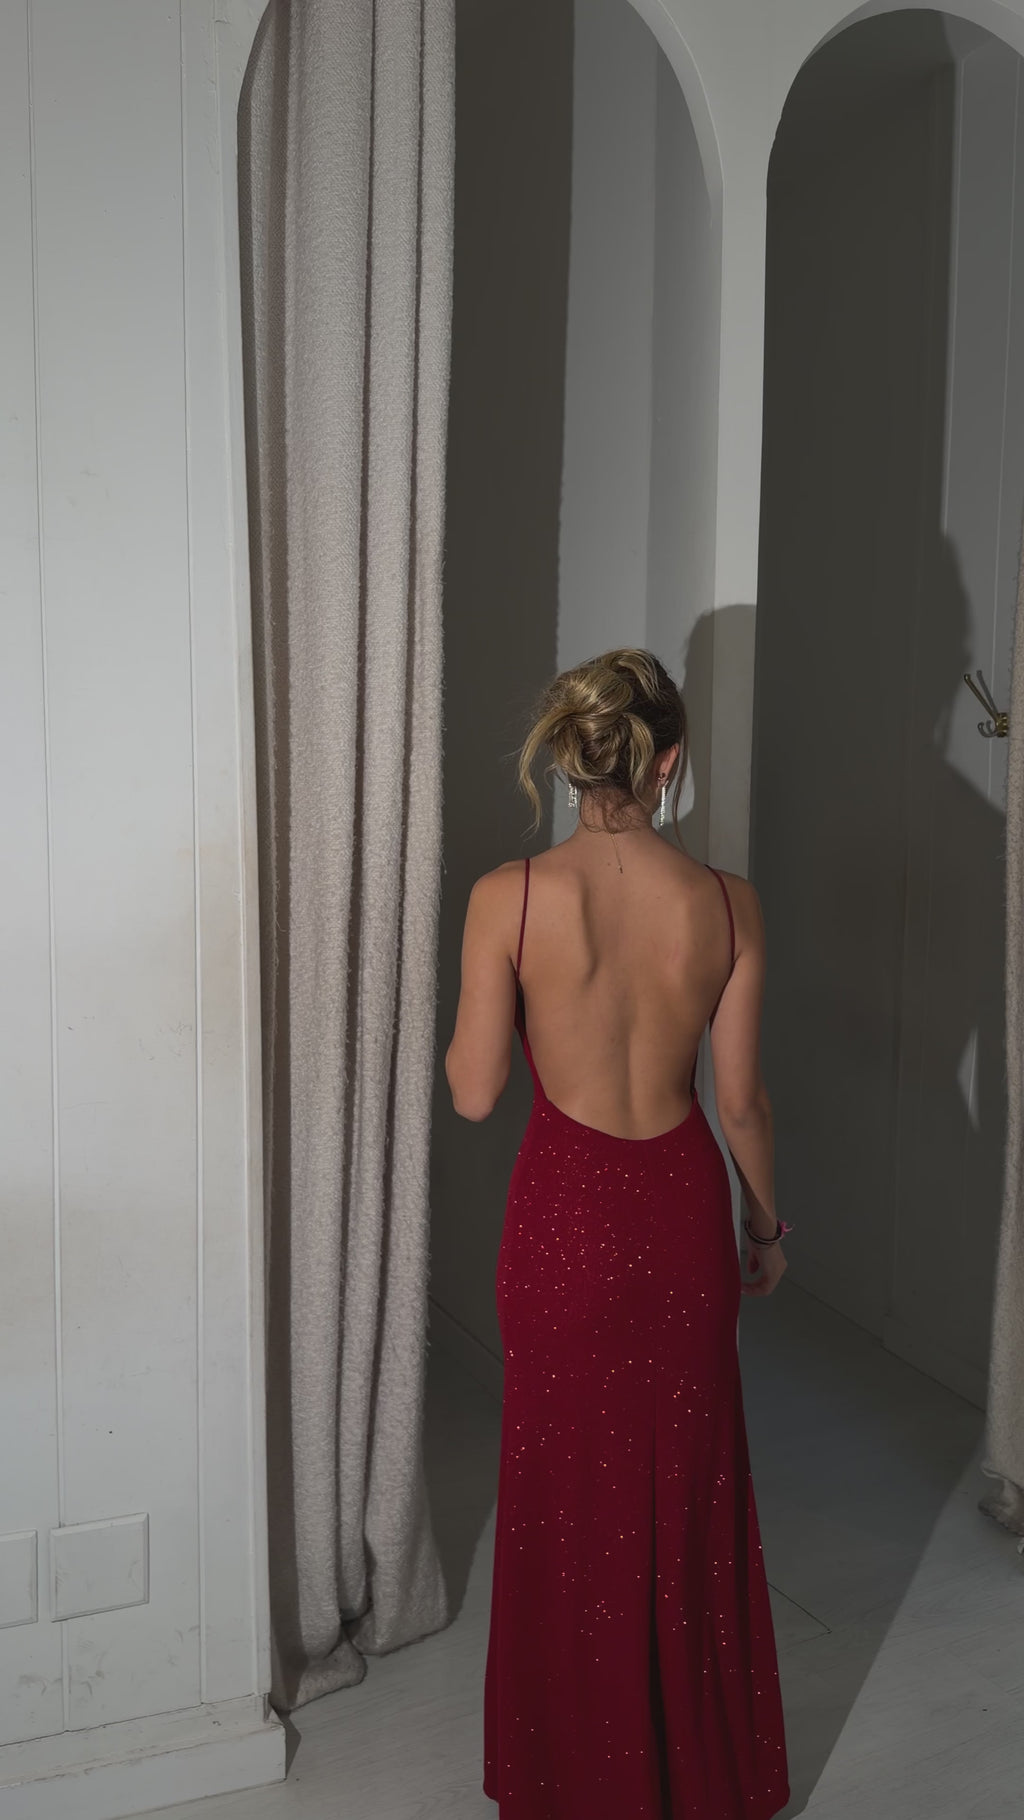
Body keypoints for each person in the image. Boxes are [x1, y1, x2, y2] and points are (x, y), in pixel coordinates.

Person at [444, 648, 791, 1819]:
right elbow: (741, 1099)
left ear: (566, 757)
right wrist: (765, 1225)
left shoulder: (509, 895)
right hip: (680, 1213)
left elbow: (476, 1091)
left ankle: (573, 1781)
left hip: (564, 1219)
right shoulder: (728, 902)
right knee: (685, 1491)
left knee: (561, 1499)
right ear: (668, 760)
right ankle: (691, 1779)